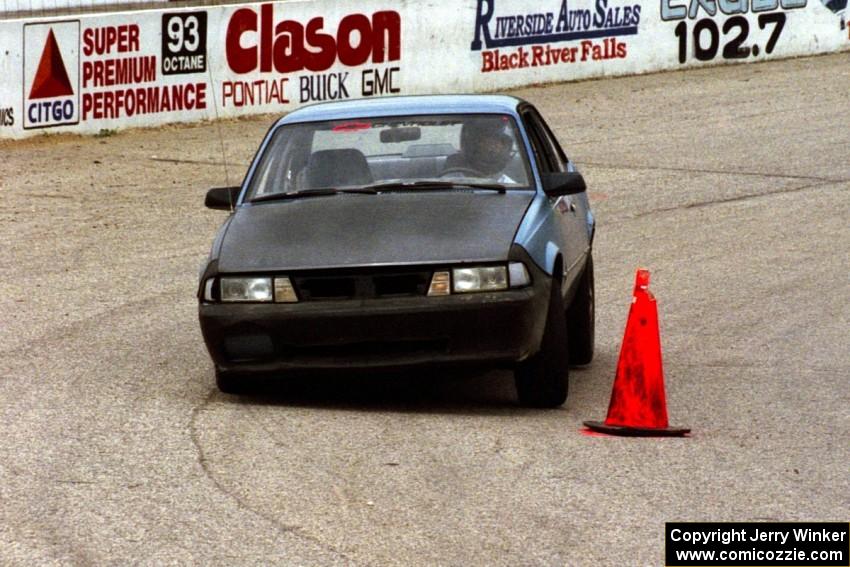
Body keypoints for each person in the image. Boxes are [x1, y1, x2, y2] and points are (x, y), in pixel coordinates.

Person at [442, 117, 516, 182]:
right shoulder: (449, 182)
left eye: (500, 143)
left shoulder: (511, 187)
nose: (493, 147)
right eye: (489, 142)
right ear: (474, 144)